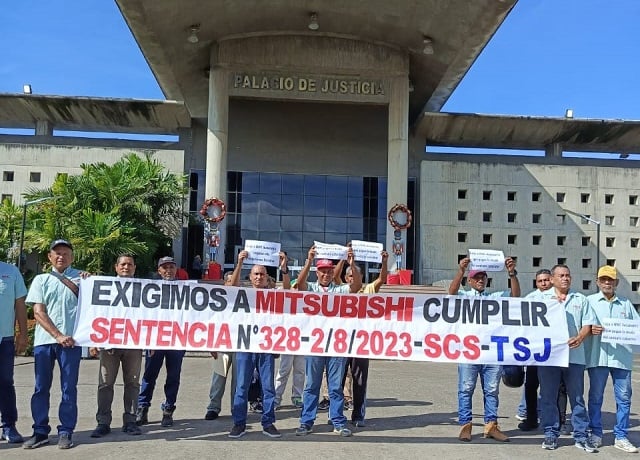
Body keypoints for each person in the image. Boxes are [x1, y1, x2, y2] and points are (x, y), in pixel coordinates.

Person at [448, 255, 520, 443]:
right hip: (469, 352)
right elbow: (452, 293)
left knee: (492, 390)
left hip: (491, 353)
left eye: (483, 278)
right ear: (470, 281)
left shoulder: (494, 297)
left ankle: (491, 426)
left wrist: (511, 273)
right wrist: (460, 271)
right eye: (476, 278)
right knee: (465, 389)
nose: (480, 280)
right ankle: (466, 426)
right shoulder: (465, 296)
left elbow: (515, 296)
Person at [23, 239, 86, 449]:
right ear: (50, 257)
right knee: (41, 387)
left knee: (69, 388)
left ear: (72, 257)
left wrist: (90, 280)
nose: (61, 256)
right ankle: (40, 431)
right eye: (57, 253)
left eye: (66, 253)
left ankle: (66, 431)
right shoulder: (41, 280)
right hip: (45, 342)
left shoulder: (82, 279)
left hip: (72, 343)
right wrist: (58, 335)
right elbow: (38, 312)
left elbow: (94, 309)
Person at [295, 245, 362, 438]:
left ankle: (338, 421)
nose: (326, 274)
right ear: (317, 272)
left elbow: (356, 287)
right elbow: (299, 285)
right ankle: (306, 422)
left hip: (335, 345)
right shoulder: (313, 288)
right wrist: (308, 261)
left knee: (335, 387)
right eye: (322, 271)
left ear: (333, 273)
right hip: (315, 344)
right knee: (311, 386)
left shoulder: (340, 290)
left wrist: (352, 264)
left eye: (329, 271)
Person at [531, 264, 597, 452]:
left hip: (574, 356)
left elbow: (587, 324)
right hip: (549, 357)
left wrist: (581, 337)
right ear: (552, 279)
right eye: (561, 276)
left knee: (577, 397)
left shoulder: (580, 299)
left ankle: (581, 435)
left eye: (568, 275)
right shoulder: (538, 299)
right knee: (548, 397)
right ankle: (551, 434)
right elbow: (520, 316)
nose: (565, 278)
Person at [227, 250, 289, 439]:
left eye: (262, 274)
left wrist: (284, 268)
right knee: (242, 387)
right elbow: (232, 286)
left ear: (266, 277)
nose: (259, 277)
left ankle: (268, 423)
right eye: (256, 274)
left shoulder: (274, 294)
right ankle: (239, 424)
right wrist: (239, 263)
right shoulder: (243, 293)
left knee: (268, 388)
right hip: (246, 346)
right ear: (251, 277)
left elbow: (287, 290)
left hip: (266, 347)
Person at [586, 265, 639, 453]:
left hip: (621, 359)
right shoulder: (589, 301)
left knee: (624, 398)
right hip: (597, 357)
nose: (607, 283)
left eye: (611, 280)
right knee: (595, 397)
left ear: (616, 282)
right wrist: (590, 329)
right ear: (597, 281)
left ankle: (621, 436)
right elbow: (582, 325)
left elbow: (637, 328)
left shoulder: (626, 304)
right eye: (604, 279)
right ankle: (596, 433)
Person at [89, 255, 143, 438]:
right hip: (109, 345)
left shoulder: (144, 289)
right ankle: (103, 422)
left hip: (134, 345)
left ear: (135, 268)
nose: (126, 267)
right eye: (123, 264)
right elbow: (95, 312)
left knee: (133, 384)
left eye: (129, 264)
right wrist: (94, 340)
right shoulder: (106, 287)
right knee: (105, 384)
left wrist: (152, 342)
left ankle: (131, 421)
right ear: (116, 267)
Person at [336, 250, 389, 428]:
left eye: (355, 274)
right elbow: (335, 276)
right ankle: (335, 414)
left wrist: (384, 261)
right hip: (341, 341)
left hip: (361, 342)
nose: (352, 278)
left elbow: (382, 279)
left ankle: (358, 414)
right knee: (338, 380)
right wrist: (345, 259)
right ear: (345, 278)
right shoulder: (341, 290)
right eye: (349, 275)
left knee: (359, 380)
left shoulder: (368, 289)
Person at [136, 256, 186, 428]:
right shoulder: (150, 289)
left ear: (176, 269)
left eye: (171, 267)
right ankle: (142, 408)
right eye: (164, 267)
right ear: (159, 270)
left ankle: (168, 410)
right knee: (149, 376)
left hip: (177, 340)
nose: (168, 270)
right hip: (155, 341)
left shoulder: (186, 289)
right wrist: (148, 341)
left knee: (173, 377)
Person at [517, 268, 552, 431]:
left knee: (554, 387)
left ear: (551, 280)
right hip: (534, 351)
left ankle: (553, 420)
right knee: (531, 385)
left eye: (546, 280)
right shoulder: (530, 298)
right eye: (540, 281)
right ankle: (531, 418)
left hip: (554, 351)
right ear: (536, 282)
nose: (544, 283)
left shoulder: (559, 297)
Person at [0, 261, 28, 444]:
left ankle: (9, 426)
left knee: (5, 382)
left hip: (5, 339)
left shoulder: (10, 271)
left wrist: (23, 334)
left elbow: (19, 304)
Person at [205, 271, 235, 421]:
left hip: (240, 346)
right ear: (225, 283)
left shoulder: (245, 299)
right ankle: (213, 407)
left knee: (238, 381)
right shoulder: (218, 302)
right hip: (222, 345)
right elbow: (212, 323)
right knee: (219, 378)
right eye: (229, 281)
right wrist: (211, 343)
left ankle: (236, 408)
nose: (232, 283)